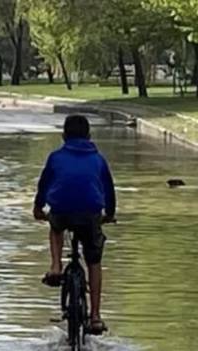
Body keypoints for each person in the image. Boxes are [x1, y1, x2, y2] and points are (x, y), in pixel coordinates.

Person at [33, 115, 116, 335]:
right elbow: (109, 189)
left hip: (61, 209)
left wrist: (38, 208)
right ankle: (96, 317)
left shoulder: (55, 157)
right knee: (94, 260)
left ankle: (56, 266)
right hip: (90, 213)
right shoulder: (98, 159)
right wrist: (109, 214)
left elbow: (43, 185)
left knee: (56, 226)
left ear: (63, 136)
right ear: (89, 136)